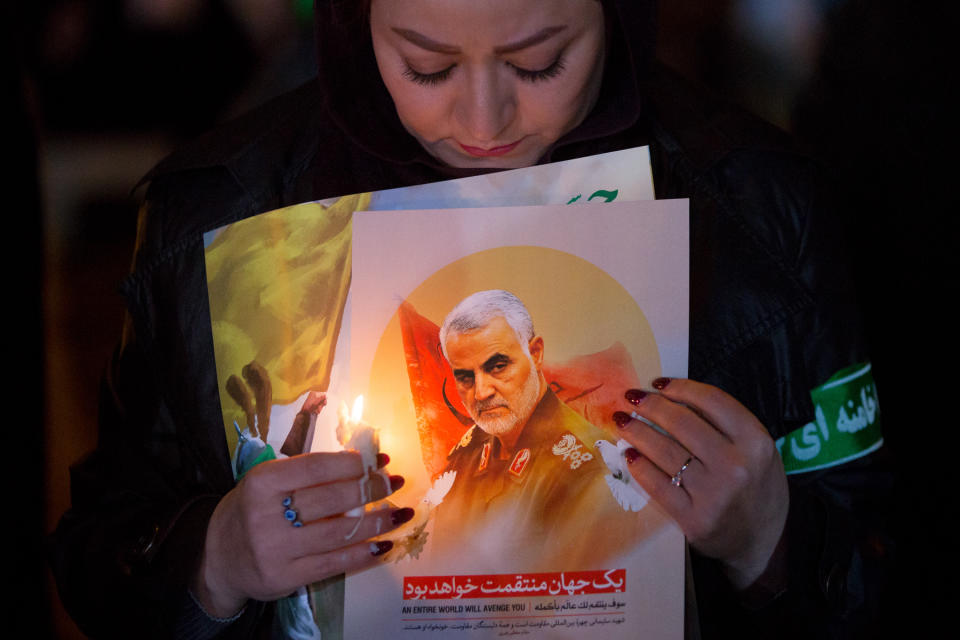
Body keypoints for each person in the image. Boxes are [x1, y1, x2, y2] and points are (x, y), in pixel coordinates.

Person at [50, 0, 891, 638]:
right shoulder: (218, 215)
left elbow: (891, 562)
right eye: (426, 66)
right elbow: (96, 559)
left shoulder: (760, 206)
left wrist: (770, 543)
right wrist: (213, 557)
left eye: (540, 63)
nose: (484, 123)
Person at [430, 289, 656, 569]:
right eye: (464, 377)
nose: (481, 392)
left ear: (535, 354)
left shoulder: (583, 471)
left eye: (498, 366)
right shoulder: (466, 454)